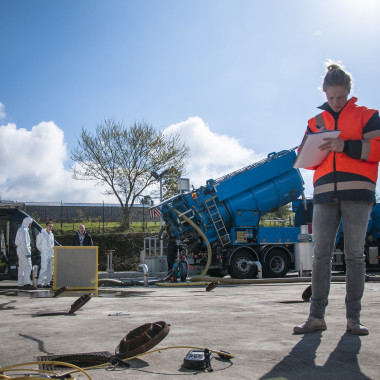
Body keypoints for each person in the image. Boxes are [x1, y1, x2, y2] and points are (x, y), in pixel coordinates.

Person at [294, 61, 380, 336]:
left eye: (341, 97)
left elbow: (377, 149)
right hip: (323, 195)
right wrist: (311, 149)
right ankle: (316, 317)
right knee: (320, 257)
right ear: (324, 93)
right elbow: (305, 160)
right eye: (331, 97)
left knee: (355, 256)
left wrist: (345, 146)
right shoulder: (315, 122)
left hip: (357, 193)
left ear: (349, 91)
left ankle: (353, 319)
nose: (336, 102)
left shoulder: (368, 116)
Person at [15, 216, 35, 290]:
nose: (30, 225)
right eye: (30, 223)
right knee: (28, 266)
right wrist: (27, 253)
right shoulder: (24, 230)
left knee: (21, 267)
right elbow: (25, 243)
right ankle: (27, 283)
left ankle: (20, 283)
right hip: (23, 250)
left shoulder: (20, 229)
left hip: (20, 250)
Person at [36, 221, 55, 288]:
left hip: (51, 254)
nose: (50, 227)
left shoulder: (52, 235)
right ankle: (40, 283)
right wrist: (43, 251)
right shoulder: (41, 234)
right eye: (49, 226)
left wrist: (52, 252)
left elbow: (52, 245)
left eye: (51, 226)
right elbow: (38, 245)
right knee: (44, 268)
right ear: (46, 226)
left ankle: (47, 283)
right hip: (45, 254)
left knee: (50, 269)